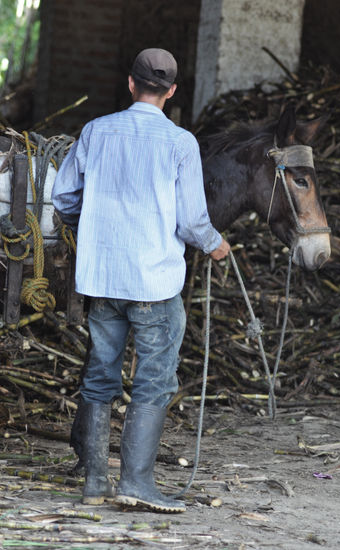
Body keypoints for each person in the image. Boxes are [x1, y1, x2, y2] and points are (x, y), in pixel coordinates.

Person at [52, 48, 230, 513]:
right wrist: (214, 243)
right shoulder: (179, 143)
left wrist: (88, 227)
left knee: (99, 376)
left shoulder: (94, 131)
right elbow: (192, 222)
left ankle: (94, 482)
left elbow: (65, 197)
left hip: (103, 280)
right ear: (170, 92)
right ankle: (136, 482)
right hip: (153, 284)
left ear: (130, 84)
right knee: (153, 381)